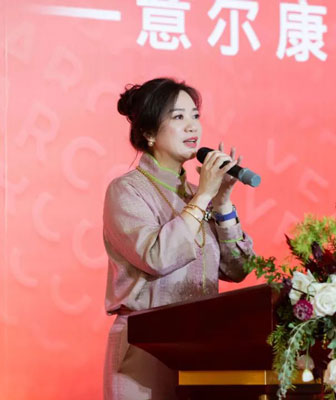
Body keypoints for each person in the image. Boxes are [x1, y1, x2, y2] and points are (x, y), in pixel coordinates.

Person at [102, 77, 254, 399]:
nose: (192, 126)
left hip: (199, 347)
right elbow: (157, 257)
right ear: (148, 133)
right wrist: (204, 197)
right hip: (144, 349)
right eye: (178, 117)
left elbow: (238, 269)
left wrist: (222, 203)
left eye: (195, 116)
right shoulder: (127, 191)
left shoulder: (197, 194)